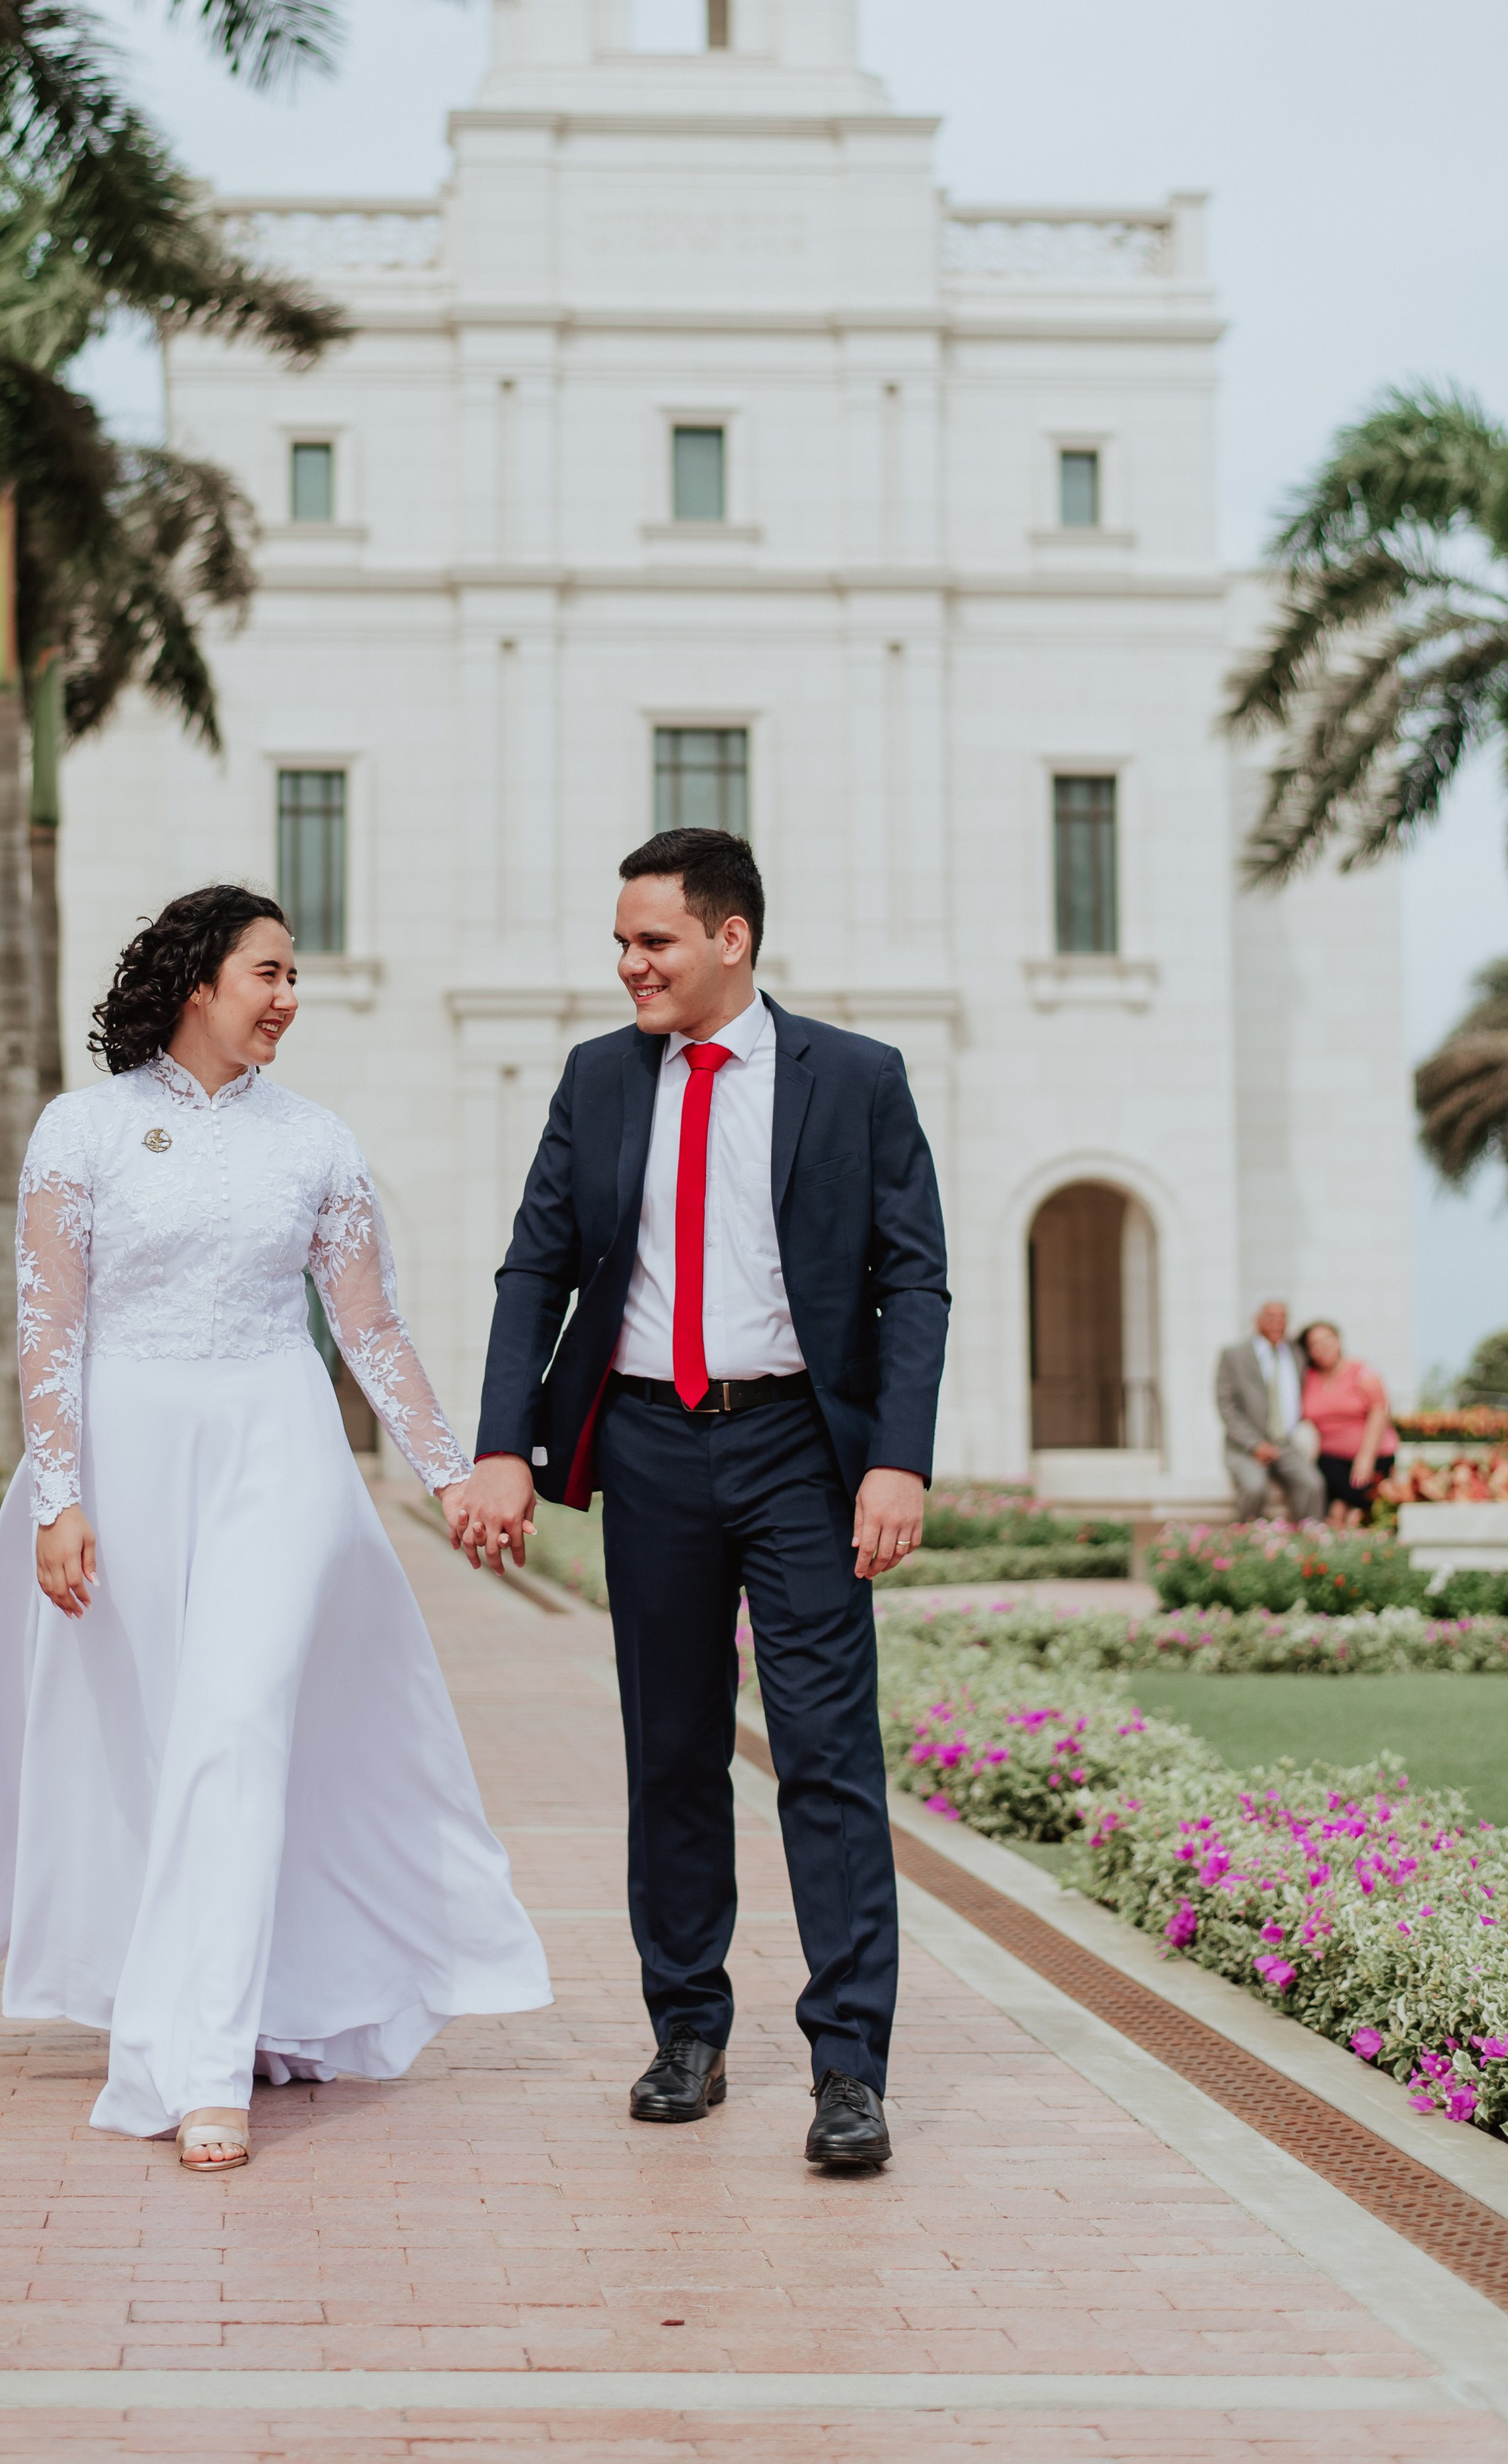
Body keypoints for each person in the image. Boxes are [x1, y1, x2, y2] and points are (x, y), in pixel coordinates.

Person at [0, 886, 550, 2169]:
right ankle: (228, 2001)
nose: (289, 994)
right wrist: (62, 1494)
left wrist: (451, 1473)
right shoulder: (81, 1131)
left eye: (292, 972)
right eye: (269, 971)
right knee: (159, 1745)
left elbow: (370, 1329)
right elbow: (50, 1330)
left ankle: (197, 2070)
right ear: (198, 981)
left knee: (235, 1727)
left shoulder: (317, 1142)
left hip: (279, 1455)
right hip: (128, 1462)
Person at [461, 829, 949, 2175]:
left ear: (731, 937)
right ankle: (688, 2033)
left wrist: (896, 1459)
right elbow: (532, 1272)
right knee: (671, 1752)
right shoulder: (599, 1081)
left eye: (653, 942)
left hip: (800, 1444)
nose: (631, 966)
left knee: (825, 1760)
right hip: (653, 1449)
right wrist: (506, 1444)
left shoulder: (856, 1080)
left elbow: (915, 1278)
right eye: (622, 943)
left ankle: (849, 2069)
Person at [1215, 1301, 1325, 1523]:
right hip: (1245, 1447)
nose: (1277, 1323)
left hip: (1284, 1443)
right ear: (1257, 1320)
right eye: (1271, 1317)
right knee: (1255, 1488)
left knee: (1313, 1485)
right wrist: (1255, 1444)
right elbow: (1227, 1406)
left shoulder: (1296, 1353)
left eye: (1283, 1317)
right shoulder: (1235, 1355)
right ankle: (1246, 1541)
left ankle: (1309, 1544)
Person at [1298, 1321, 1398, 1526]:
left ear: (1338, 1341)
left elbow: (1380, 1410)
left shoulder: (1361, 1371)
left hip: (1373, 1453)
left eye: (1328, 1340)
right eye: (1315, 1344)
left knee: (1355, 1498)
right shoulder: (1307, 1378)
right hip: (1330, 1457)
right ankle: (1343, 1513)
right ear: (1309, 1351)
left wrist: (1365, 1458)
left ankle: (1345, 1514)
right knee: (1327, 1490)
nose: (1323, 1347)